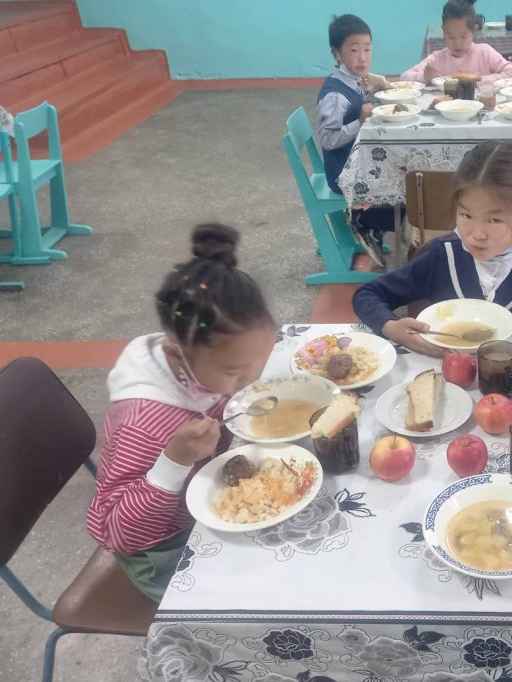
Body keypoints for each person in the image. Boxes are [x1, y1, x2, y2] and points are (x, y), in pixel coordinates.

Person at [87, 224, 276, 601]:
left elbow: (228, 386)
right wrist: (173, 462)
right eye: (234, 372)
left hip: (211, 501)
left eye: (258, 365)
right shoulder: (143, 425)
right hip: (166, 552)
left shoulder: (200, 366)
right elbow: (118, 534)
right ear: (176, 352)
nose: (249, 380)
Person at [352, 141, 512, 357]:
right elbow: (367, 295)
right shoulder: (442, 258)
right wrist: (390, 327)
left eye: (494, 220)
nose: (477, 234)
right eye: (466, 215)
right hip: (444, 375)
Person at [317, 13, 393, 265]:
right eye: (354, 50)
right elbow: (327, 139)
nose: (362, 57)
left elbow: (359, 103)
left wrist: (374, 93)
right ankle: (364, 222)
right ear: (337, 54)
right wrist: (359, 122)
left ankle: (374, 227)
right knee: (398, 179)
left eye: (367, 49)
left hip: (355, 161)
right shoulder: (334, 95)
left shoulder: (352, 80)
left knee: (398, 167)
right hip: (343, 173)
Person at [400, 0, 512, 84]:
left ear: (474, 31)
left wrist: (480, 81)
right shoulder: (437, 58)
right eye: (451, 37)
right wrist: (424, 77)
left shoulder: (484, 52)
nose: (457, 43)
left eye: (463, 37)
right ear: (443, 31)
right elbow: (403, 78)